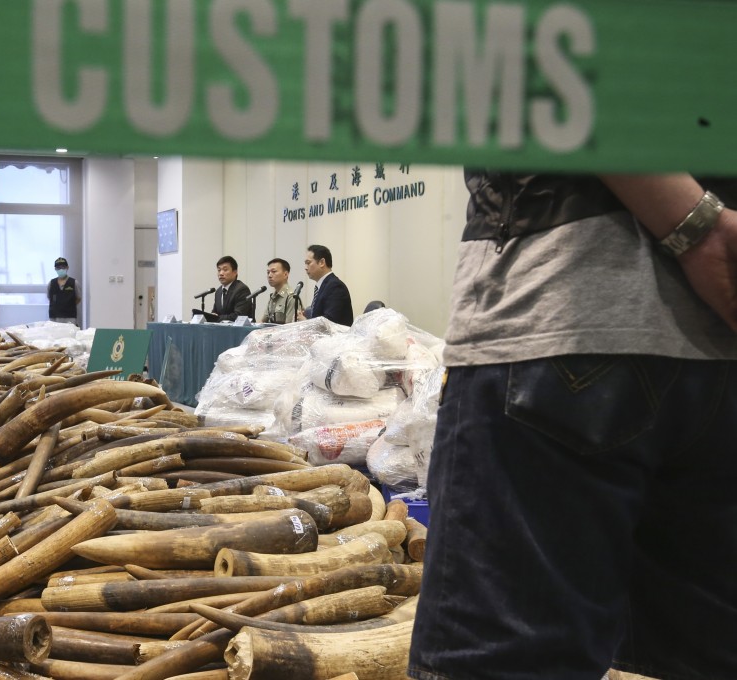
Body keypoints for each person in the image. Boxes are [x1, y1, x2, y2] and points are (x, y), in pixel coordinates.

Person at [408, 172, 737, 680]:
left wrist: (697, 225)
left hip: (566, 308)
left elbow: (576, 92)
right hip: (716, 329)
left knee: (507, 661)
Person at [297, 244, 353, 326]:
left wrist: (305, 322)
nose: (306, 267)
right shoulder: (323, 285)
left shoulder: (335, 286)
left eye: (308, 263)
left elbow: (329, 323)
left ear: (322, 262)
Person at [210, 255, 253, 321]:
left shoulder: (241, 289)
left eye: (225, 270)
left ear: (235, 272)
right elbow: (215, 312)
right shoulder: (218, 292)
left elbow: (238, 316)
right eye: (219, 270)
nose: (221, 273)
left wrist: (217, 318)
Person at [260, 257, 302, 324]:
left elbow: (290, 327)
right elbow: (262, 321)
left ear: (285, 274)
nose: (269, 275)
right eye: (268, 272)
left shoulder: (291, 297)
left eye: (274, 271)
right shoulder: (273, 297)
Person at [47, 256, 81, 326]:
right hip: (54, 318)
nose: (61, 269)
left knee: (70, 335)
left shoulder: (74, 282)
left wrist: (67, 305)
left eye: (63, 267)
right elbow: (49, 298)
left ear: (67, 268)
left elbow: (78, 298)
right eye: (58, 268)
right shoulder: (51, 283)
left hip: (70, 317)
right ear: (55, 269)